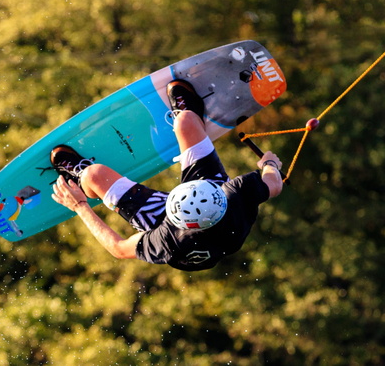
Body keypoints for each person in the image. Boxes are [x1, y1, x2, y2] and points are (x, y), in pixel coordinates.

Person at [49, 79, 284, 271]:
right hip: (214, 215)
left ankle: (81, 177)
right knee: (185, 122)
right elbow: (274, 184)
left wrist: (80, 205)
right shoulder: (236, 194)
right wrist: (270, 164)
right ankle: (193, 117)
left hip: (171, 226)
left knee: (93, 174)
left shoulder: (166, 240)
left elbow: (118, 249)